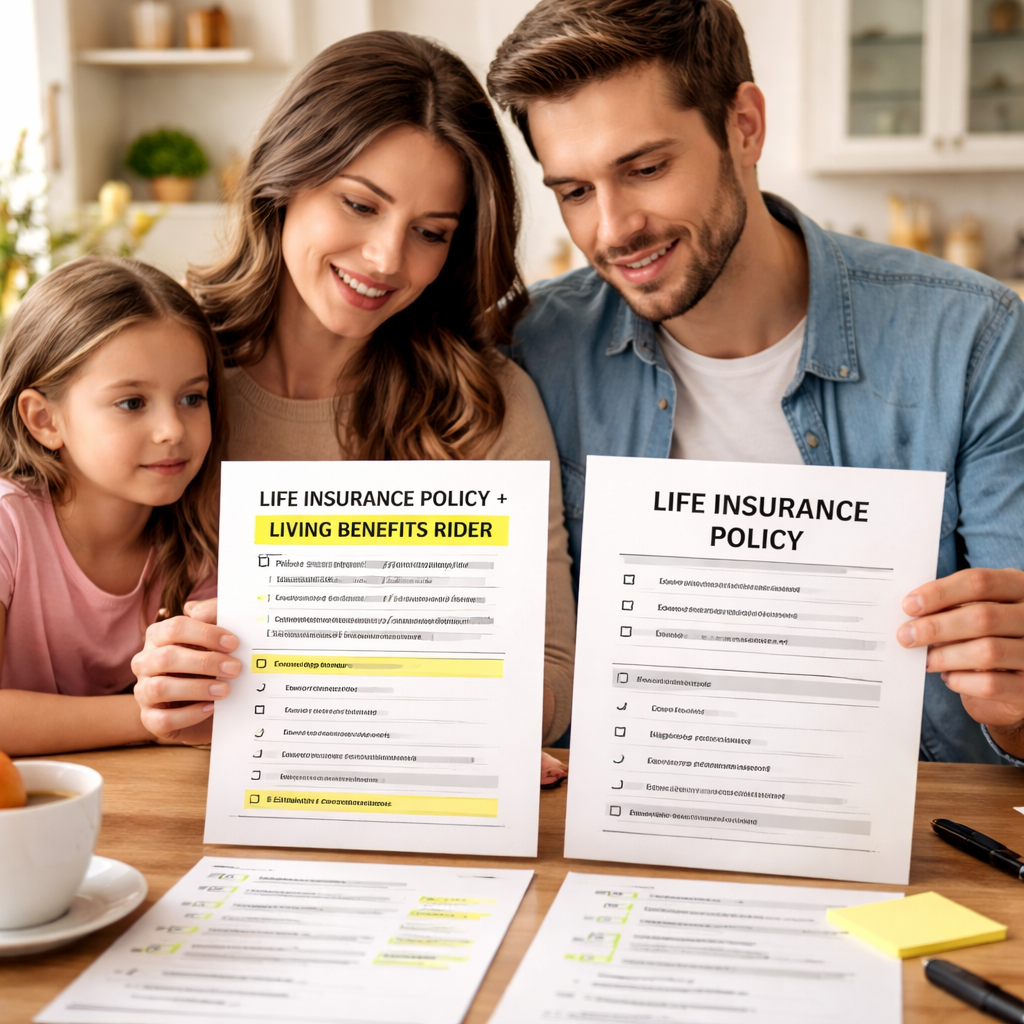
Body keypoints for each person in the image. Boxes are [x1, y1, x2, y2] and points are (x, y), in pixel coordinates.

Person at [486, 0, 1024, 764]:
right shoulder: (529, 351)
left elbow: (1013, 710)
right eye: (574, 191)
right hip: (630, 830)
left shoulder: (972, 340)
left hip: (903, 833)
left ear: (744, 125)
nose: (612, 229)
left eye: (645, 169)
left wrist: (1012, 713)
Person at [131, 32, 576, 761]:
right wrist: (154, 693)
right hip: (175, 806)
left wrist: (427, 709)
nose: (387, 260)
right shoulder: (163, 378)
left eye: (430, 233)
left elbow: (553, 678)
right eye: (360, 205)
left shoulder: (482, 405)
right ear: (285, 175)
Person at [0, 257, 223, 755]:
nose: (172, 430)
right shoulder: (7, 525)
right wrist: (153, 717)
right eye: (132, 403)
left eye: (192, 398)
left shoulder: (198, 545)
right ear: (44, 420)